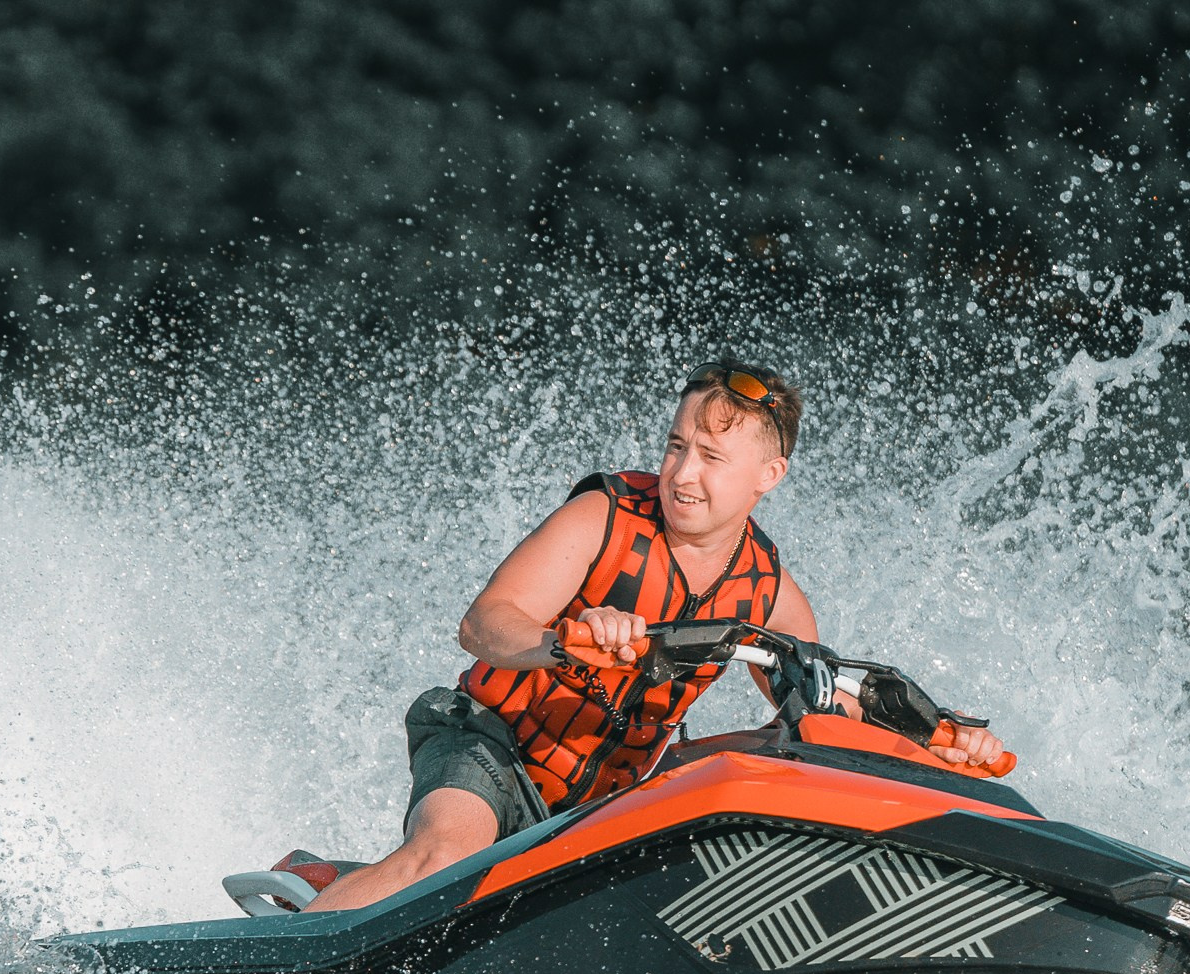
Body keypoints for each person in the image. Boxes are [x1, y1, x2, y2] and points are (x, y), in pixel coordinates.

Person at [309, 360, 1007, 912]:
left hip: (594, 810)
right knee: (447, 856)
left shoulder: (770, 594)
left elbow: (825, 719)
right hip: (487, 741)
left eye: (710, 456)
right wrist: (563, 641)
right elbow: (484, 623)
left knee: (771, 757)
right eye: (677, 447)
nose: (683, 473)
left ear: (768, 476)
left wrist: (939, 737)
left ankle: (331, 881)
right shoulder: (602, 518)